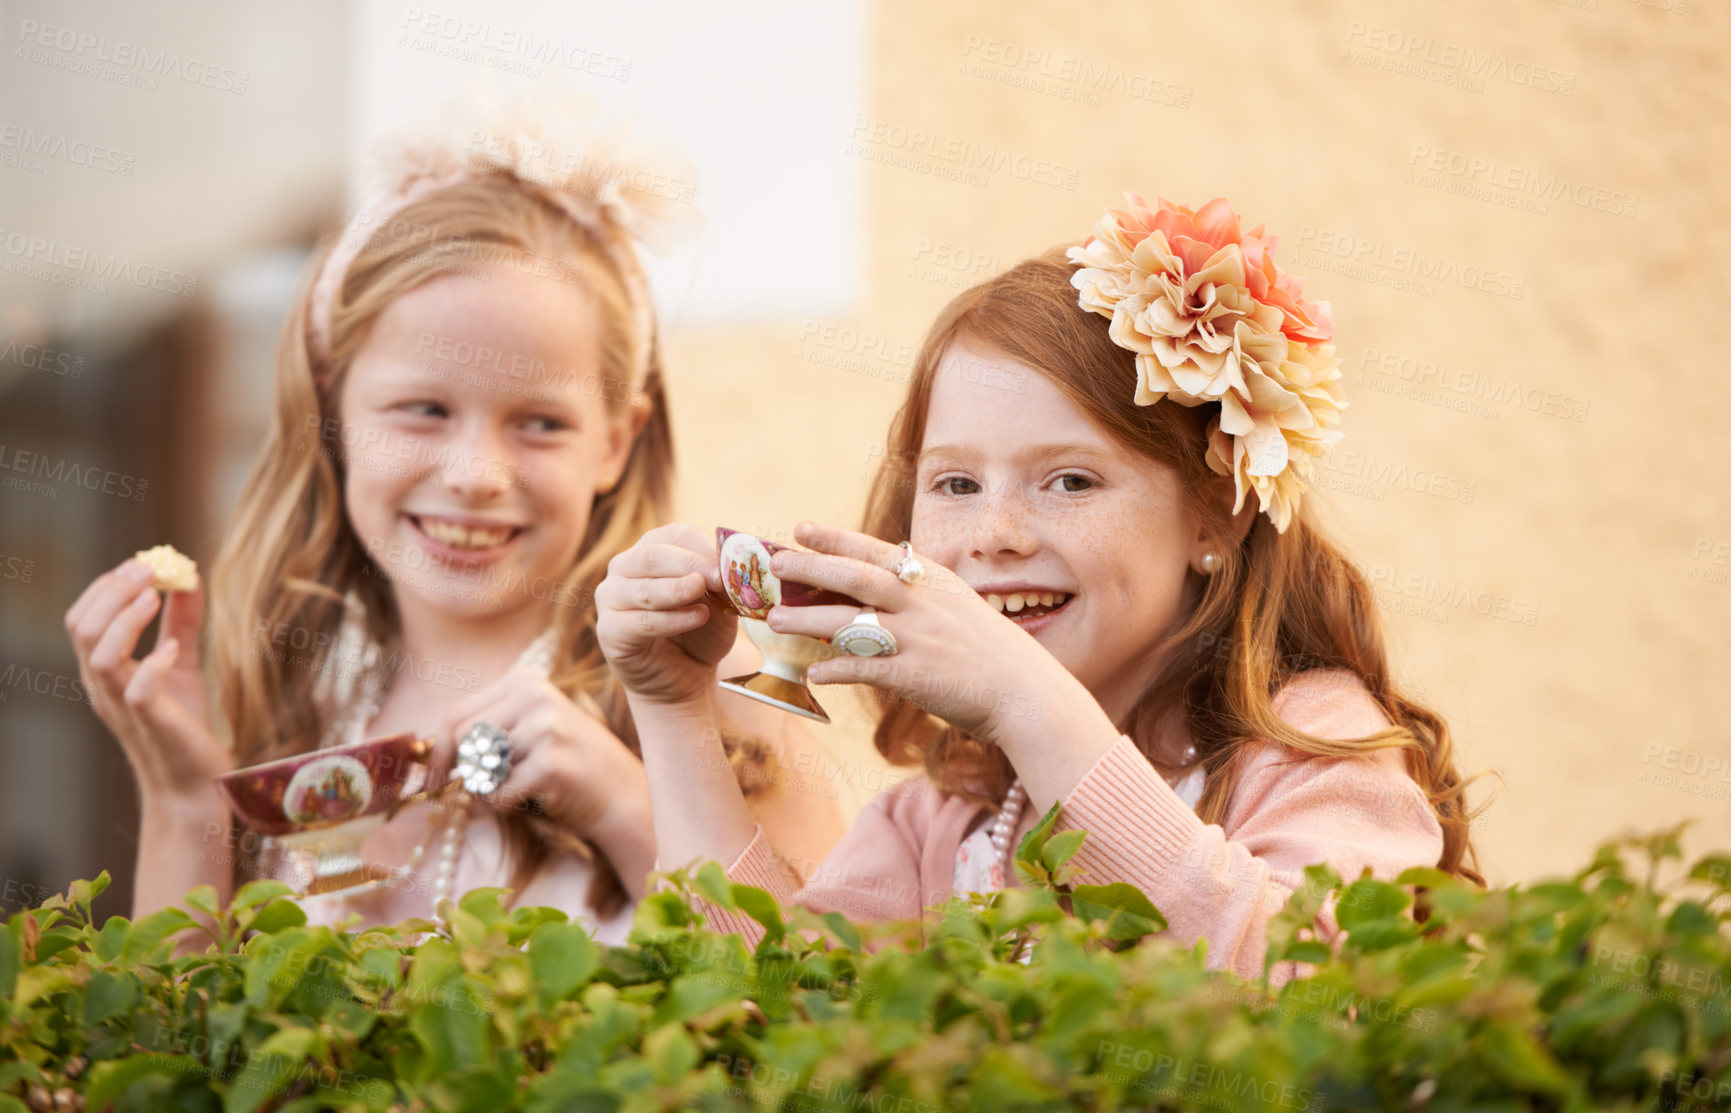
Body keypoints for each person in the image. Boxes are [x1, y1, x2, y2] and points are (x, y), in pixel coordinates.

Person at [597, 193, 1485, 980]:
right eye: (954, 484)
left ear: (1216, 514)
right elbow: (767, 1018)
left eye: (1068, 481)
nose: (995, 534)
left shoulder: (1315, 747)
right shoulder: (947, 822)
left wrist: (1028, 701)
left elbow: (1309, 993)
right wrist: (672, 710)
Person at [63, 86, 843, 942]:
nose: (476, 474)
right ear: (333, 406)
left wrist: (626, 804)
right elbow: (167, 1065)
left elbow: (813, 1020)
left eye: (541, 422)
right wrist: (184, 802)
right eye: (424, 410)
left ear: (617, 442)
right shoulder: (284, 711)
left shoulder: (716, 708)